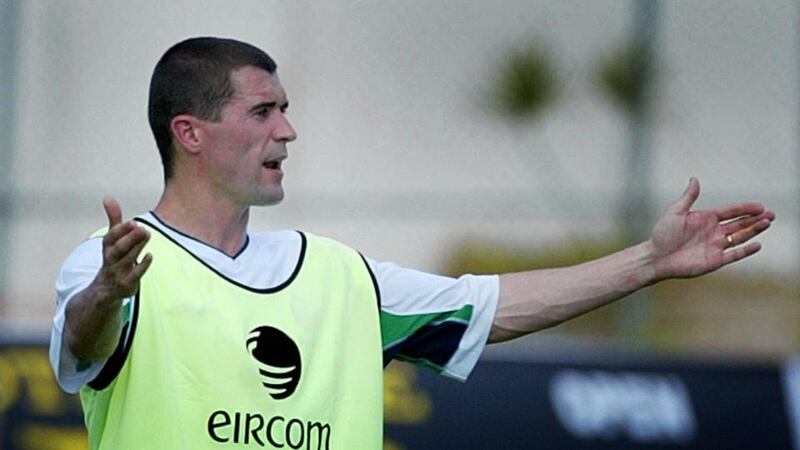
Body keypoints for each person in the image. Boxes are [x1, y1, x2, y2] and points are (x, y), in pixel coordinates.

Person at [49, 37, 774, 450]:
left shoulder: (339, 276)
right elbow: (82, 348)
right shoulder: (116, 262)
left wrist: (648, 262)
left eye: (286, 110)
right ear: (190, 133)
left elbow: (491, 307)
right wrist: (107, 293)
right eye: (263, 111)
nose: (288, 131)